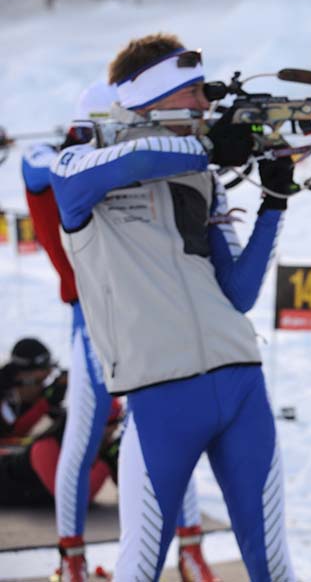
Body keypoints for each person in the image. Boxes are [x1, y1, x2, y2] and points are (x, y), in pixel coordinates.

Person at [51, 34, 297, 582]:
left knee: (274, 567)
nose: (204, 108)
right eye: (192, 94)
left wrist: (274, 204)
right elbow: (125, 162)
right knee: (140, 567)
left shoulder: (198, 174)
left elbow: (238, 293)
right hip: (160, 395)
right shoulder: (77, 167)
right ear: (152, 97)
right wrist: (213, 146)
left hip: (240, 382)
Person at [23, 81, 219, 582]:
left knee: (163, 431)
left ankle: (190, 550)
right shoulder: (68, 168)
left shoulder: (108, 164)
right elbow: (37, 162)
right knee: (85, 439)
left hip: (142, 317)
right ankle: (72, 559)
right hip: (93, 320)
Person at [0, 337, 122, 514]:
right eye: (39, 381)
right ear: (21, 376)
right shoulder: (46, 447)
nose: (114, 431)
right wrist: (104, 461)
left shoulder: (81, 440)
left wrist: (117, 462)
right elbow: (73, 500)